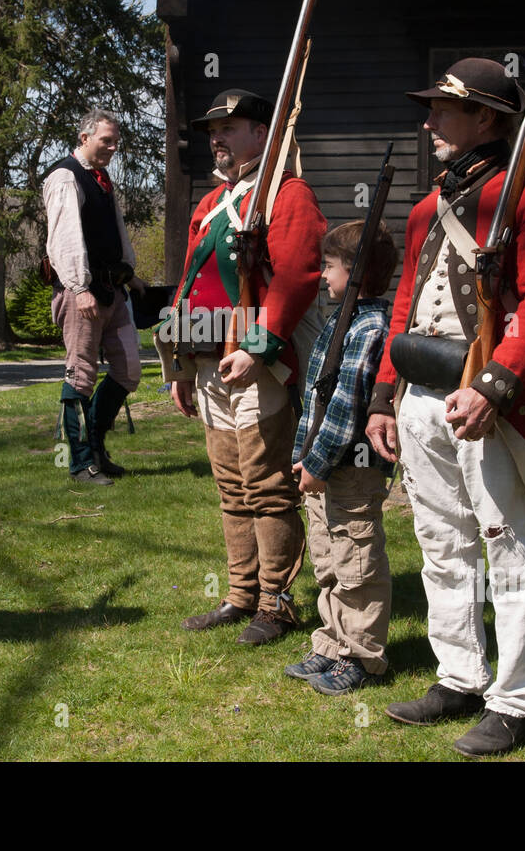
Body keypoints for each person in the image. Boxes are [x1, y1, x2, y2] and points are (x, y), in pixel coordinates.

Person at [364, 58, 525, 756]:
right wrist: (384, 396)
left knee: (508, 546)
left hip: (487, 395)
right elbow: (403, 306)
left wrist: (497, 385)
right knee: (440, 544)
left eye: (443, 112)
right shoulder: (430, 206)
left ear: (486, 119)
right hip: (422, 392)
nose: (429, 124)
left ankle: (516, 699)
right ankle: (457, 673)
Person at [167, 88, 326, 645]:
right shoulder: (212, 205)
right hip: (211, 361)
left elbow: (299, 276)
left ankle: (275, 603)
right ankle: (241, 594)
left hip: (260, 362)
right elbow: (191, 284)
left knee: (267, 485)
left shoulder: (288, 194)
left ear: (264, 133)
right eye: (213, 130)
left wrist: (257, 347)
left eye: (230, 128)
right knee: (231, 486)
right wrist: (182, 364)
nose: (217, 138)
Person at [287, 219, 397, 694]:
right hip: (325, 467)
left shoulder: (369, 327)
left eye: (329, 267)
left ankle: (362, 655)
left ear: (355, 272)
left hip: (349, 469)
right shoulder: (342, 319)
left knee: (357, 565)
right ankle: (332, 643)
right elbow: (316, 399)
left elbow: (347, 408)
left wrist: (317, 461)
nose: (322, 276)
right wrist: (304, 456)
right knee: (329, 560)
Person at [43, 108, 143, 486]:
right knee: (81, 376)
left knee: (129, 369)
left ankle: (97, 446)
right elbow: (64, 239)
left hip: (112, 290)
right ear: (84, 138)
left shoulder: (100, 179)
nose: (113, 147)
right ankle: (80, 463)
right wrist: (78, 287)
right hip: (81, 292)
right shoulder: (66, 177)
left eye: (116, 141)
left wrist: (131, 275)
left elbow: (114, 232)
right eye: (106, 140)